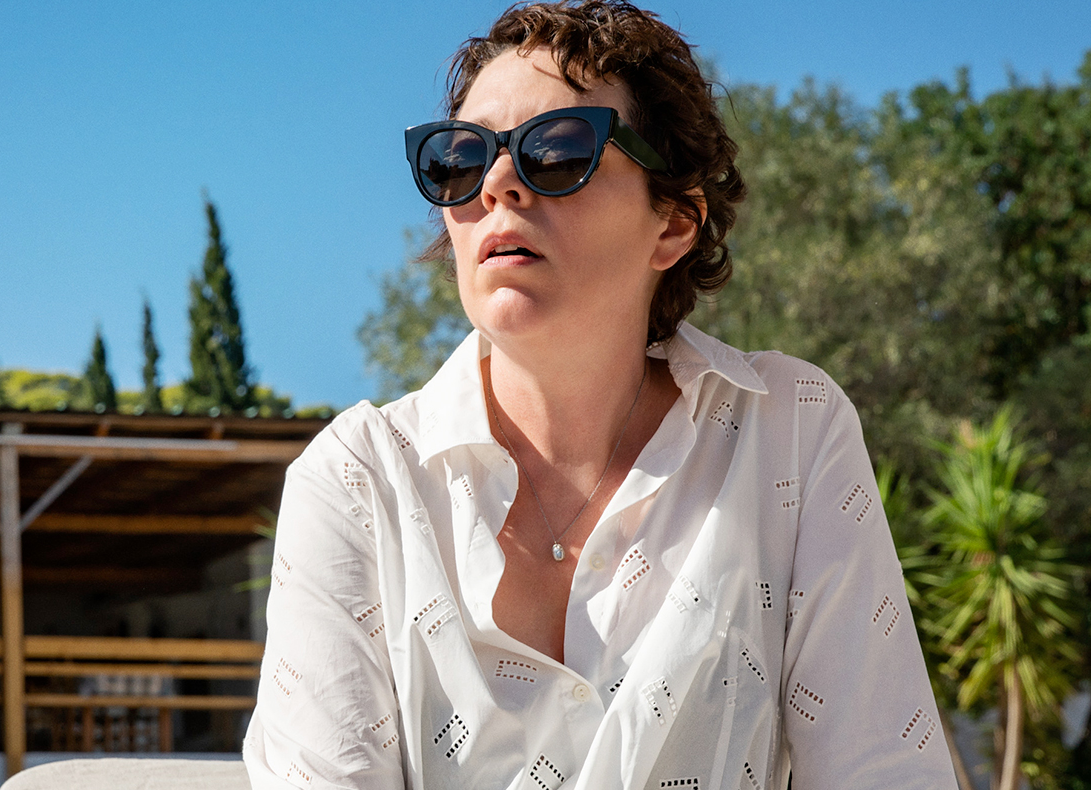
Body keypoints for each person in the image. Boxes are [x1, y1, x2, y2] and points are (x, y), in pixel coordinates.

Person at [243, 2, 959, 788]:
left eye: (556, 151)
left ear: (674, 224)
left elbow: (883, 769)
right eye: (460, 159)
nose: (498, 184)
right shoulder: (358, 480)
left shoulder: (788, 430)